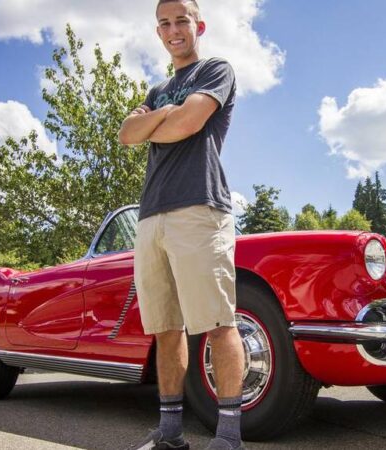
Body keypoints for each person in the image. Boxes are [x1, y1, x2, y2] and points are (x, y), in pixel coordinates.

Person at [118, 1, 244, 449]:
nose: (174, 30)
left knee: (216, 322)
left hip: (199, 209)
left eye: (182, 21)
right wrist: (160, 121)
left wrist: (154, 122)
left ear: (198, 25)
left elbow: (191, 121)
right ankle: (170, 435)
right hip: (151, 215)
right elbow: (126, 135)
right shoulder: (157, 89)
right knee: (165, 328)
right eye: (165, 23)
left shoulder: (216, 69)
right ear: (158, 32)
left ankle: (229, 438)